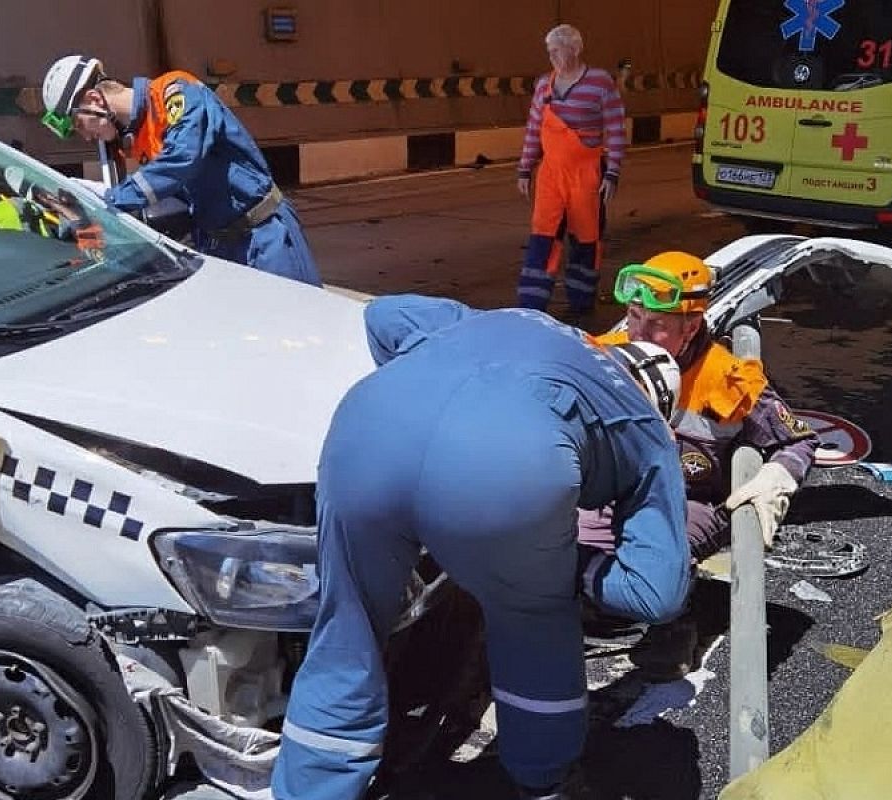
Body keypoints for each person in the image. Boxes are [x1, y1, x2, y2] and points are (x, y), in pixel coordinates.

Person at [270, 295, 692, 800]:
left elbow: (382, 315)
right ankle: (544, 780)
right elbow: (655, 594)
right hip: (509, 470)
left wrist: (427, 391)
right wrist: (566, 563)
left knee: (349, 624)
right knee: (533, 618)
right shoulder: (646, 428)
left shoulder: (526, 320)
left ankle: (310, 788)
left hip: (367, 432)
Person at [583, 250, 820, 563]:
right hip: (614, 491)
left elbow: (800, 441)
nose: (638, 333)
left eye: (656, 323)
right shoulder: (602, 356)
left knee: (654, 564)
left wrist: (776, 479)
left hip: (690, 502)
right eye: (634, 316)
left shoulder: (726, 379)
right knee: (558, 545)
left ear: (691, 328)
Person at [40, 55, 321, 286]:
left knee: (302, 329)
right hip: (218, 246)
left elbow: (183, 158)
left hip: (263, 237)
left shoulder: (175, 91)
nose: (86, 137)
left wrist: (110, 200)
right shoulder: (139, 138)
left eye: (79, 125)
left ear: (95, 100)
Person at [516, 24, 626, 316]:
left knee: (585, 239)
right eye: (549, 52)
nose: (553, 58)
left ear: (575, 49)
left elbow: (615, 129)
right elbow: (533, 129)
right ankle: (531, 305)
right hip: (551, 174)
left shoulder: (601, 84)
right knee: (543, 236)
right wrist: (525, 169)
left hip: (587, 175)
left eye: (557, 51)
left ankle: (581, 301)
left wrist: (612, 172)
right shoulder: (544, 85)